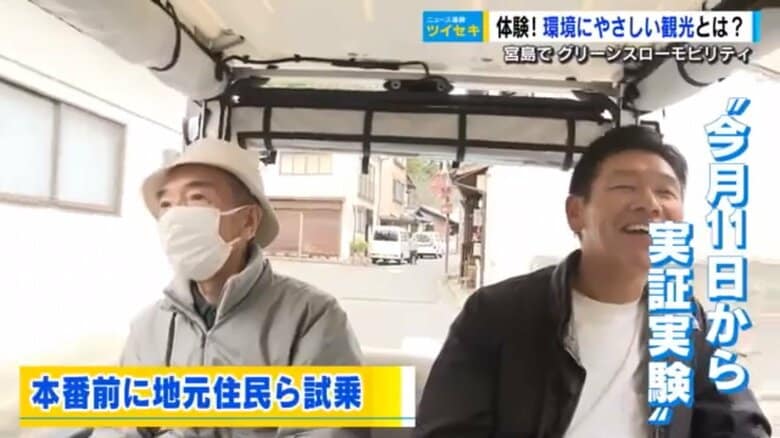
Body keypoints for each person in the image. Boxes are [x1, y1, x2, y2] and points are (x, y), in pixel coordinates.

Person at [415, 125, 771, 438]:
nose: (650, 205)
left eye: (666, 192)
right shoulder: (498, 314)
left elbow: (736, 422)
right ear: (576, 213)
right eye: (625, 186)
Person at [91, 137, 369, 438]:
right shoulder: (149, 328)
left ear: (248, 221)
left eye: (197, 198)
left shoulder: (312, 318)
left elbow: (330, 430)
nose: (175, 218)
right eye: (166, 205)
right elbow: (115, 427)